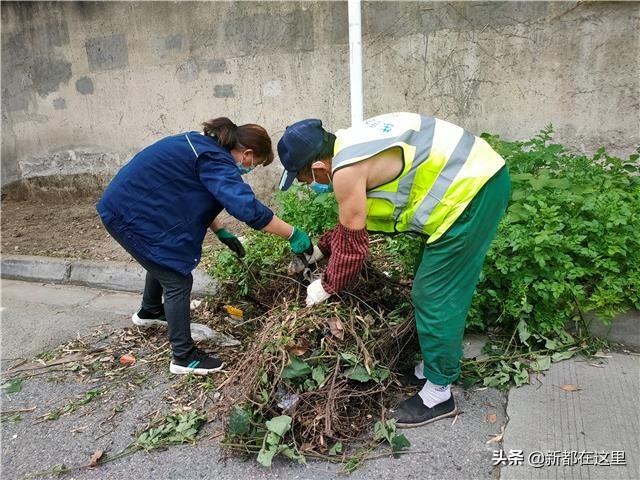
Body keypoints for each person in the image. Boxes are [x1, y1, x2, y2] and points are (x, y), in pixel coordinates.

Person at [277, 112, 510, 427]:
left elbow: (354, 250)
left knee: (434, 294)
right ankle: (434, 365)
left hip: (473, 192)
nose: (310, 187)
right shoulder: (350, 146)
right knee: (431, 285)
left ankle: (439, 392)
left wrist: (326, 287)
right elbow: (349, 227)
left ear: (319, 167)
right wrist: (321, 249)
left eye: (306, 180)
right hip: (474, 180)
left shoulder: (345, 172)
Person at [97, 117, 315, 375]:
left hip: (129, 207)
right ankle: (183, 357)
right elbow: (246, 208)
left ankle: (150, 311)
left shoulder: (202, 146)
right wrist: (292, 234)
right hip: (130, 214)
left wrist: (221, 230)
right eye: (254, 164)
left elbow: (193, 189)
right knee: (177, 280)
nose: (250, 169)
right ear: (246, 154)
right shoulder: (215, 161)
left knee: (161, 256)